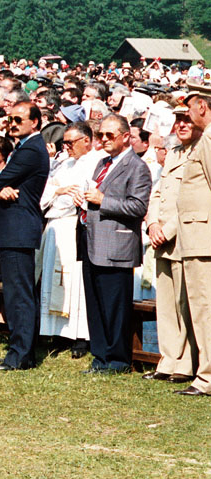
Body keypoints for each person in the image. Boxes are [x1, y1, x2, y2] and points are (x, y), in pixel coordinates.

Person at [73, 114, 151, 374]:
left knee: (115, 306)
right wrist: (85, 203)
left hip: (116, 245)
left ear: (126, 136)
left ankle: (117, 360)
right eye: (100, 135)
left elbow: (138, 207)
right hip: (92, 242)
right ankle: (100, 356)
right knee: (95, 305)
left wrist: (101, 199)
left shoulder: (136, 167)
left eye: (110, 135)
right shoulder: (102, 164)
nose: (104, 140)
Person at [0, 101, 49, 371]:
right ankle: (21, 352)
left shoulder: (31, 149)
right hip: (14, 229)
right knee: (18, 293)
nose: (13, 123)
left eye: (19, 119)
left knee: (19, 295)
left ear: (35, 122)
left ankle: (20, 354)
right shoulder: (24, 147)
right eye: (11, 118)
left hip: (19, 229)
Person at [37, 121, 103, 358]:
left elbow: (78, 197)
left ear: (87, 140)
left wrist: (60, 194)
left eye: (70, 142)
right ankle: (58, 333)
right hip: (56, 226)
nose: (66, 147)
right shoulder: (65, 163)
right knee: (55, 281)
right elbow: (47, 190)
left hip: (74, 226)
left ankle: (80, 336)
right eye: (64, 142)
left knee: (75, 284)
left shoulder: (97, 162)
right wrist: (57, 191)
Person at [144, 106, 200, 383]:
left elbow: (194, 200)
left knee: (185, 305)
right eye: (178, 120)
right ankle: (167, 360)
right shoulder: (174, 154)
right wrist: (153, 224)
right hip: (162, 239)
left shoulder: (200, 152)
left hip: (184, 238)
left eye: (187, 119)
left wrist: (166, 229)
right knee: (165, 304)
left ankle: (186, 364)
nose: (181, 125)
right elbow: (158, 194)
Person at [175, 86, 211, 396]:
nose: (187, 115)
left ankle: (207, 378)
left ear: (202, 106)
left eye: (189, 108)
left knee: (204, 310)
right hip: (197, 236)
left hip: (204, 238)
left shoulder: (210, 138)